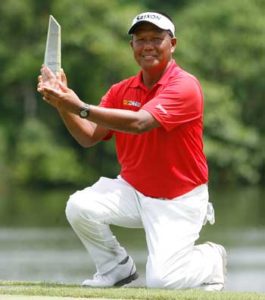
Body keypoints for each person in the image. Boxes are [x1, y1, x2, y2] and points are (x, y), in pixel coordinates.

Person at [37, 11, 227, 291]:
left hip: (178, 199)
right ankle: (115, 267)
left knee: (163, 281)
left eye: (156, 39)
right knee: (80, 206)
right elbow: (89, 137)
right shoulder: (121, 90)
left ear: (172, 43)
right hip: (133, 191)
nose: (147, 45)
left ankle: (211, 258)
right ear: (132, 47)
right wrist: (63, 105)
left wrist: (79, 106)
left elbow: (141, 123)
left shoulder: (185, 86)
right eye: (140, 39)